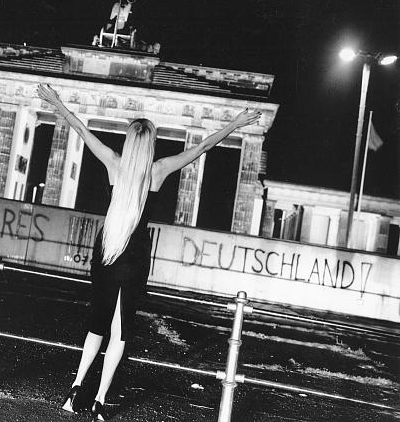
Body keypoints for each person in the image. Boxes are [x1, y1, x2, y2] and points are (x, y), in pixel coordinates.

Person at [36, 84, 260, 421]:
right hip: (136, 256)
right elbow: (202, 146)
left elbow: (80, 129)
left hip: (108, 250)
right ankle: (98, 401)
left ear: (128, 142)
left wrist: (57, 102)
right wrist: (235, 124)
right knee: (120, 330)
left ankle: (75, 389)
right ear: (151, 144)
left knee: (96, 324)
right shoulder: (158, 169)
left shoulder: (113, 162)